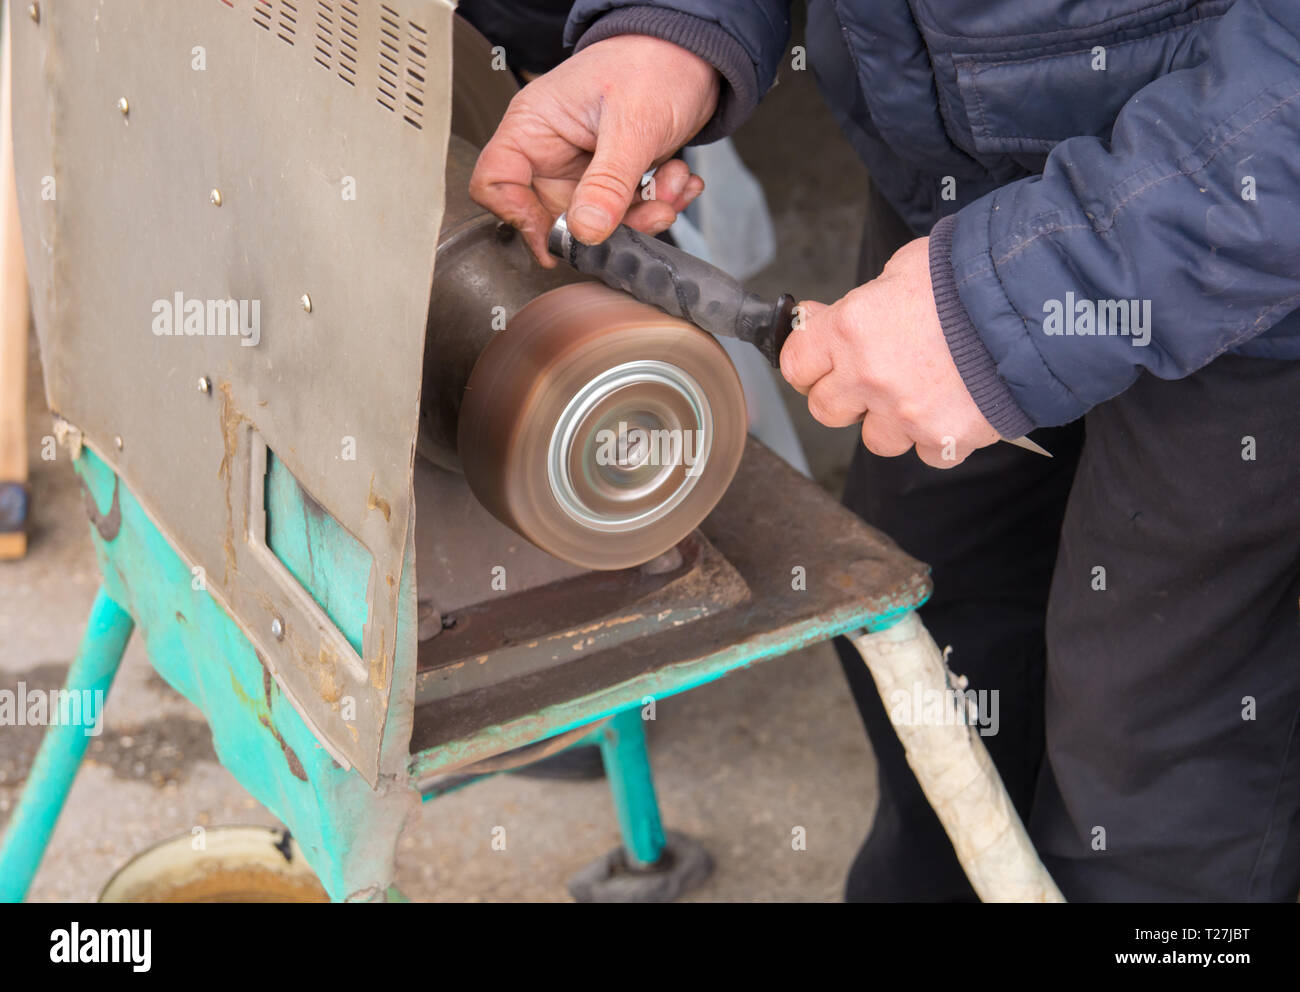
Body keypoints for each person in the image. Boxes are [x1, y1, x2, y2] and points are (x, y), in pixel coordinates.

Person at [469, 1, 1300, 902]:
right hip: (949, 195)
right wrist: (675, 29)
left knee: (1155, 742)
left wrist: (1010, 302)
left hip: (1241, 251)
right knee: (933, 608)